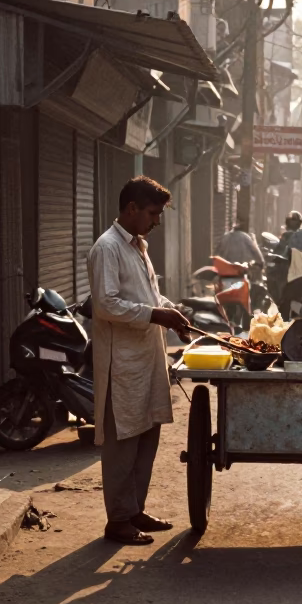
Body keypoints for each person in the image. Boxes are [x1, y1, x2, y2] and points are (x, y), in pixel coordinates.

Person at [87, 176, 190, 546]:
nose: (156, 221)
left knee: (147, 437)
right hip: (122, 367)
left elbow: (150, 297)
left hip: (148, 360)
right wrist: (155, 315)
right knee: (122, 444)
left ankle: (134, 510)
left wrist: (171, 313)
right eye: (152, 213)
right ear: (131, 208)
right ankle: (117, 521)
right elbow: (106, 304)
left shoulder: (138, 247)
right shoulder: (108, 248)